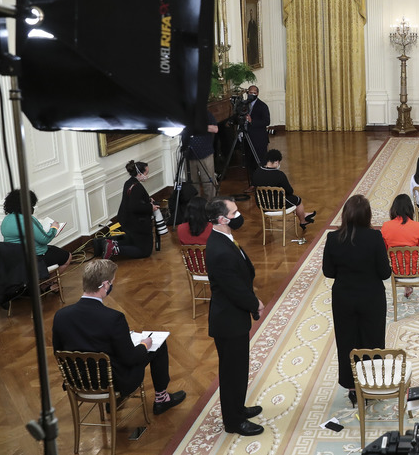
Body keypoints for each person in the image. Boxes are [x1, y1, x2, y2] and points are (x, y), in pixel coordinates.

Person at [52, 259, 186, 415]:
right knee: (158, 344)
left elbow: (58, 352)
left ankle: (115, 402)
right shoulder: (113, 318)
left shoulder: (61, 316)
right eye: (112, 282)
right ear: (105, 285)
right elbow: (130, 358)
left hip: (78, 380)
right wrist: (144, 345)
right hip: (112, 381)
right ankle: (161, 399)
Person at [322, 195, 391, 406]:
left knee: (347, 342)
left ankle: (352, 387)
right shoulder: (375, 238)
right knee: (372, 340)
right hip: (371, 298)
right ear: (367, 216)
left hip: (344, 298)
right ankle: (371, 384)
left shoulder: (333, 238)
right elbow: (385, 272)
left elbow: (328, 271)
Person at [205, 197, 264, 436]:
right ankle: (233, 421)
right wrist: (255, 304)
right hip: (228, 321)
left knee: (239, 370)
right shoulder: (219, 250)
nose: (239, 215)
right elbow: (233, 288)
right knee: (232, 374)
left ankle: (238, 408)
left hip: (233, 317)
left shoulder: (224, 239)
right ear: (222, 219)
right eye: (234, 212)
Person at [0, 189, 71, 275]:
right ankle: (49, 284)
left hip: (14, 260)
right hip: (35, 258)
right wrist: (54, 228)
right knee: (67, 257)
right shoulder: (27, 219)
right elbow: (44, 239)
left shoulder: (6, 220)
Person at [104, 160, 157, 260]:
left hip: (127, 220)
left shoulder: (129, 182)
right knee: (145, 251)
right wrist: (151, 207)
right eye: (146, 173)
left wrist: (148, 200)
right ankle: (115, 249)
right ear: (139, 173)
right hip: (136, 223)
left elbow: (134, 199)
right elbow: (135, 207)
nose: (147, 175)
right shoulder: (137, 187)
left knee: (136, 241)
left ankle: (112, 244)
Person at [250, 149, 316, 230]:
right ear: (277, 162)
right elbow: (290, 191)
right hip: (277, 204)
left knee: (291, 199)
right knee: (297, 200)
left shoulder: (257, 172)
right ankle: (303, 221)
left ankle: (304, 214)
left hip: (262, 205)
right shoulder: (279, 175)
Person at [381, 194, 419, 299]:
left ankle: (407, 287)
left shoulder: (386, 226)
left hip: (396, 269)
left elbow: (385, 250)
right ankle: (409, 287)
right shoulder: (418, 226)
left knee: (401, 259)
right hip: (415, 269)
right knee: (414, 258)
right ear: (410, 209)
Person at [185, 111, 219, 201]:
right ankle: (196, 206)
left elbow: (215, 129)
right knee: (192, 183)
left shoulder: (206, 114)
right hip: (189, 155)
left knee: (208, 181)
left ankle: (211, 205)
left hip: (205, 153)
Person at [244, 85, 270, 186]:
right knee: (250, 162)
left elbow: (267, 121)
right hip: (247, 138)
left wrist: (252, 121)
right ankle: (253, 183)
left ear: (258, 93)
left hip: (259, 139)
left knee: (260, 161)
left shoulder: (262, 106)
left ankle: (263, 183)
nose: (252, 94)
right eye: (250, 92)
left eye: (254, 93)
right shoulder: (245, 105)